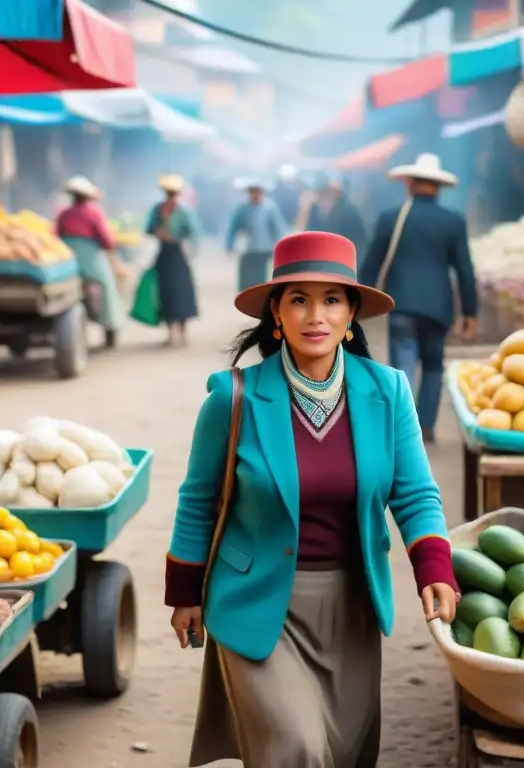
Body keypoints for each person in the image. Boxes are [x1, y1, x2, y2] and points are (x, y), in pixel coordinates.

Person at [165, 231, 459, 767]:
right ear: (276, 314)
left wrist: (434, 566)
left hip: (351, 604)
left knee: (342, 753)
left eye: (331, 299)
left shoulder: (387, 391)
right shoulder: (234, 398)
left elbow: (415, 492)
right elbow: (198, 500)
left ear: (351, 316)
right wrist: (185, 589)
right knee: (295, 748)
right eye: (298, 299)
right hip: (255, 603)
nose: (315, 315)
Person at [360, 153, 478, 443]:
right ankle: (426, 426)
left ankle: (403, 427)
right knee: (434, 365)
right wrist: (470, 313)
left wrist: (358, 302)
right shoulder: (453, 221)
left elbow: (372, 262)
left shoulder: (391, 218)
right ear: (438, 186)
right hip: (438, 309)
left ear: (409, 183)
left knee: (403, 365)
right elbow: (465, 270)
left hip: (401, 306)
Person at [55, 176, 126, 349]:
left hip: (68, 260)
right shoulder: (94, 212)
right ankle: (111, 323)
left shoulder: (64, 213)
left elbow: (56, 237)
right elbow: (106, 239)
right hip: (91, 259)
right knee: (107, 286)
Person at [146, 174, 200, 348]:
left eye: (173, 192)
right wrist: (158, 232)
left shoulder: (184, 211)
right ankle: (171, 333)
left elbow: (193, 233)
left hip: (178, 254)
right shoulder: (157, 210)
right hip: (164, 254)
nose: (171, 195)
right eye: (168, 192)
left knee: (182, 293)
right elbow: (149, 228)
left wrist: (185, 246)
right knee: (166, 294)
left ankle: (184, 333)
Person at [225, 179, 288, 292]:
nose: (255, 195)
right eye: (253, 192)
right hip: (247, 248)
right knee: (246, 277)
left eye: (258, 192)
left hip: (264, 248)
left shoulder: (270, 208)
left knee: (260, 277)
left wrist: (281, 247)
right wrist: (229, 245)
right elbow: (233, 228)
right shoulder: (242, 208)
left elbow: (278, 228)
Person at [306, 172, 368, 260]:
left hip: (345, 259)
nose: (323, 196)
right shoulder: (314, 211)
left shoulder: (348, 212)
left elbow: (359, 240)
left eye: (327, 192)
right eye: (321, 193)